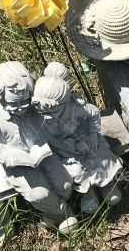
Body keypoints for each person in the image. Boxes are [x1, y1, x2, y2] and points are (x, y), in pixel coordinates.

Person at [0, 62, 78, 236]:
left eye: (25, 101)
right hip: (19, 164)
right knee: (39, 195)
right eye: (13, 104)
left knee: (65, 185)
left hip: (44, 153)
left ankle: (50, 210)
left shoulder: (34, 108)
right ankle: (62, 212)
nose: (20, 107)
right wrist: (14, 157)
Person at [31, 66, 123, 216]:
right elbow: (46, 137)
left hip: (84, 138)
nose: (47, 115)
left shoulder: (75, 109)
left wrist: (93, 134)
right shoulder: (41, 117)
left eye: (52, 111)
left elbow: (93, 112)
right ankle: (88, 192)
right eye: (43, 111)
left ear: (65, 103)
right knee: (77, 170)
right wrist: (71, 146)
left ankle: (107, 184)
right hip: (63, 148)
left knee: (100, 158)